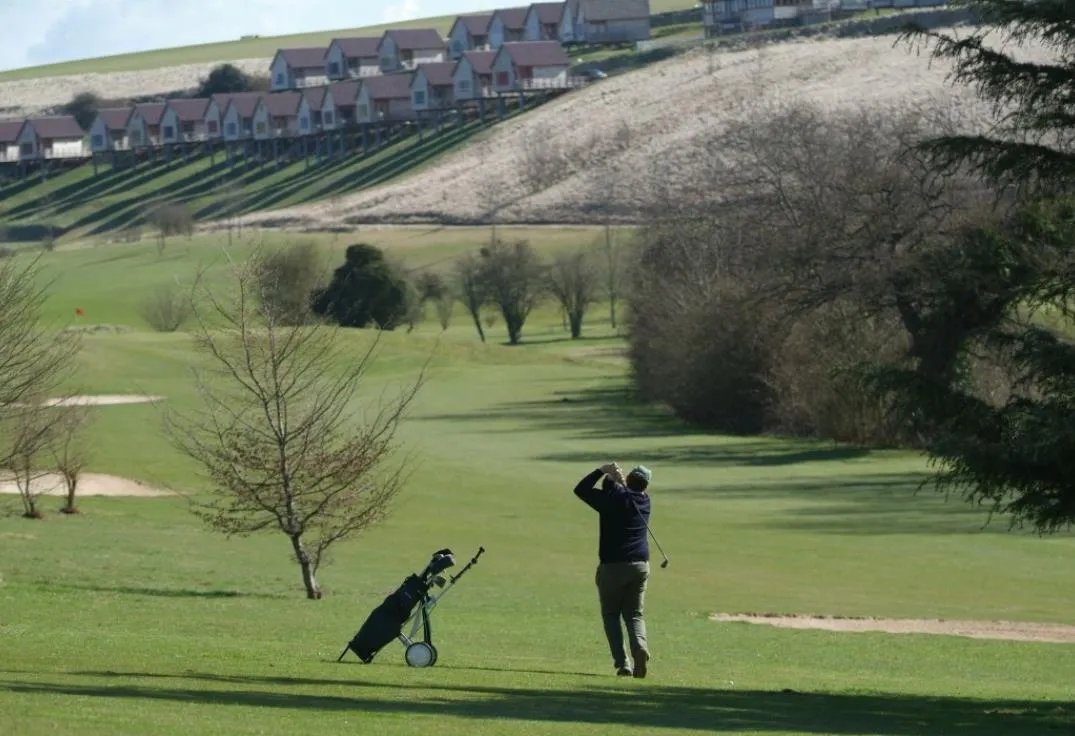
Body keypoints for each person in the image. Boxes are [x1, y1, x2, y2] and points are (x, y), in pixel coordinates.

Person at [573, 462, 653, 678]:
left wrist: (603, 471)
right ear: (645, 485)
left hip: (612, 566)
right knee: (634, 614)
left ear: (630, 479)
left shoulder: (613, 500)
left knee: (611, 615)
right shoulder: (645, 500)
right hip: (640, 566)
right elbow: (620, 493)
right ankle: (640, 647)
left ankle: (623, 663)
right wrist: (614, 480)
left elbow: (581, 490)